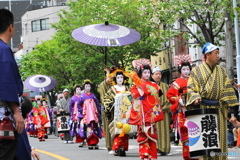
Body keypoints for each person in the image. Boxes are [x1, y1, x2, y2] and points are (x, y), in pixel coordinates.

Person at [186, 42, 239, 160]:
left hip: (219, 110)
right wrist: (195, 97)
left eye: (218, 53)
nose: (218, 56)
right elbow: (190, 87)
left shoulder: (221, 71)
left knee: (220, 138)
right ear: (208, 54)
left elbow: (226, 88)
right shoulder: (196, 71)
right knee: (207, 140)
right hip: (204, 110)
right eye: (216, 53)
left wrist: (229, 107)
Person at [0, 8, 25, 160]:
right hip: (3, 116)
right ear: (11, 27)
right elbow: (6, 82)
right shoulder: (3, 50)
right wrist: (16, 111)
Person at [128, 58, 164, 160]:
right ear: (141, 73)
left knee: (152, 134)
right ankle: (144, 154)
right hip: (142, 114)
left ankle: (152, 155)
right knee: (143, 134)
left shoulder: (153, 84)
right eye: (145, 72)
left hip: (151, 113)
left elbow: (158, 95)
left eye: (149, 72)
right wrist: (140, 88)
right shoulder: (136, 84)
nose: (147, 74)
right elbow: (134, 95)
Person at [166, 56, 193, 160]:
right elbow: (170, 96)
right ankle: (187, 155)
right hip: (182, 110)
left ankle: (195, 153)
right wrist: (178, 100)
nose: (186, 71)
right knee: (185, 131)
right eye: (184, 69)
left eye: (187, 69)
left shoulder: (193, 80)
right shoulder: (177, 82)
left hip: (193, 109)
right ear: (180, 71)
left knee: (194, 131)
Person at [103, 70, 132, 156]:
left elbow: (132, 97)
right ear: (116, 79)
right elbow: (106, 99)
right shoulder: (112, 89)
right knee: (117, 130)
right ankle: (116, 147)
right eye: (118, 77)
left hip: (126, 112)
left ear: (124, 79)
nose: (120, 79)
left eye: (121, 77)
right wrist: (111, 104)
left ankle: (123, 148)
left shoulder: (127, 88)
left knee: (125, 130)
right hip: (116, 112)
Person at [151, 66, 171, 156]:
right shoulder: (149, 86)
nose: (158, 76)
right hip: (152, 112)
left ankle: (165, 149)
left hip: (163, 111)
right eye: (156, 74)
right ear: (152, 75)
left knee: (164, 130)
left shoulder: (165, 86)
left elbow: (170, 99)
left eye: (159, 74)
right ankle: (156, 148)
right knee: (154, 130)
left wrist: (164, 108)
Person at [78, 79, 102, 149]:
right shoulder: (82, 96)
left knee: (94, 127)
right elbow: (79, 105)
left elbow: (97, 104)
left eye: (89, 86)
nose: (88, 87)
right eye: (86, 86)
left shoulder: (93, 96)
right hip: (87, 115)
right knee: (88, 128)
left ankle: (95, 142)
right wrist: (83, 112)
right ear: (84, 87)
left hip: (94, 115)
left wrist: (97, 112)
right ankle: (90, 142)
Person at [97, 67, 113, 152]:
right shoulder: (102, 85)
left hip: (116, 110)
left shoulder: (115, 85)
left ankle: (117, 146)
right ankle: (109, 145)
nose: (109, 79)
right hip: (107, 109)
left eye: (111, 77)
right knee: (108, 127)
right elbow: (103, 99)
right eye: (108, 77)